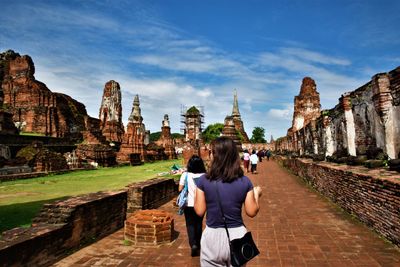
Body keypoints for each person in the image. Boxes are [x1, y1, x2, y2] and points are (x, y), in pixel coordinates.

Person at [195, 137, 262, 266]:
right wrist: (256, 194)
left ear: (215, 155)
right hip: (238, 236)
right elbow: (252, 211)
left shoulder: (203, 180)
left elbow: (199, 211)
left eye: (211, 152)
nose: (209, 155)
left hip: (212, 236)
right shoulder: (245, 181)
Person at [179, 155, 207, 257]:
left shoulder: (185, 175)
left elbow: (180, 189)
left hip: (188, 204)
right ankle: (198, 243)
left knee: (190, 224)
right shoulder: (205, 176)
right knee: (199, 223)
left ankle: (193, 244)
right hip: (201, 203)